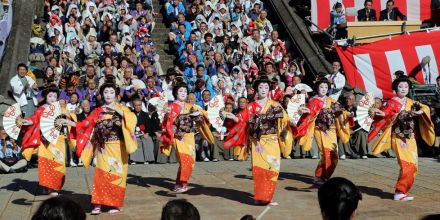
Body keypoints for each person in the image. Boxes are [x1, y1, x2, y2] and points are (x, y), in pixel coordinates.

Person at [63, 83, 138, 214]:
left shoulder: (122, 108)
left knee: (118, 175)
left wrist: (116, 110)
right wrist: (71, 123)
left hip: (119, 148)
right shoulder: (97, 111)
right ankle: (97, 203)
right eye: (106, 92)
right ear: (102, 95)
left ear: (116, 94)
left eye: (111, 92)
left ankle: (114, 204)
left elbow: (132, 120)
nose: (108, 95)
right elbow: (85, 124)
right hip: (104, 147)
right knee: (101, 175)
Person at [223, 77, 292, 206]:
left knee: (273, 169)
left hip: (272, 140)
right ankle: (260, 197)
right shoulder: (251, 106)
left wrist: (292, 120)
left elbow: (285, 120)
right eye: (260, 87)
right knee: (259, 169)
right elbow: (242, 119)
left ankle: (268, 196)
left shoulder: (275, 105)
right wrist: (233, 117)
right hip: (257, 142)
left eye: (266, 87)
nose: (263, 90)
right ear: (256, 90)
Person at [369, 77, 434, 201]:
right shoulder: (392, 102)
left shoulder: (411, 101)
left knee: (413, 166)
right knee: (407, 164)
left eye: (406, 86)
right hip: (399, 137)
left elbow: (425, 108)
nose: (403, 89)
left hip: (410, 137)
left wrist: (420, 112)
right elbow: (386, 113)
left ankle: (401, 191)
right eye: (400, 86)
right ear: (395, 89)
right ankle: (400, 192)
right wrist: (379, 112)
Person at [18, 86, 75, 196]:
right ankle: (48, 187)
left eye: (55, 96)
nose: (53, 98)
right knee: (46, 164)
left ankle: (54, 185)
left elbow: (70, 119)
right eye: (50, 96)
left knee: (59, 164)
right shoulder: (41, 109)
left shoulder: (61, 108)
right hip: (46, 141)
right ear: (45, 97)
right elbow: (34, 119)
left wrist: (68, 116)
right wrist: (27, 121)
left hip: (59, 140)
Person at [160, 82, 215, 193]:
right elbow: (167, 123)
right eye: (180, 91)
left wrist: (198, 115)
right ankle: (182, 183)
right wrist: (166, 115)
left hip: (189, 136)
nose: (183, 93)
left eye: (185, 91)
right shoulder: (171, 107)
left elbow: (203, 116)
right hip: (178, 136)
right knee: (185, 160)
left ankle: (179, 183)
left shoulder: (191, 106)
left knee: (190, 161)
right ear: (175, 92)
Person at [295, 78, 351, 185]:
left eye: (326, 87)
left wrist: (348, 115)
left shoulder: (331, 100)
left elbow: (341, 112)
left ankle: (325, 176)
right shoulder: (313, 101)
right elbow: (310, 114)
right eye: (321, 87)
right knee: (325, 154)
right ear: (317, 88)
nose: (324, 89)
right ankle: (319, 176)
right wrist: (305, 111)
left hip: (331, 130)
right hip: (319, 129)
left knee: (334, 155)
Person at [131, 99, 155, 164]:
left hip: (143, 133)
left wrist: (147, 133)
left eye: (139, 105)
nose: (137, 107)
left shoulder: (145, 114)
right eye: (136, 105)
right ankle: (134, 159)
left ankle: (147, 159)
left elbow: (149, 125)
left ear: (141, 105)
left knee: (148, 140)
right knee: (134, 140)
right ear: (133, 106)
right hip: (133, 133)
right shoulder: (130, 114)